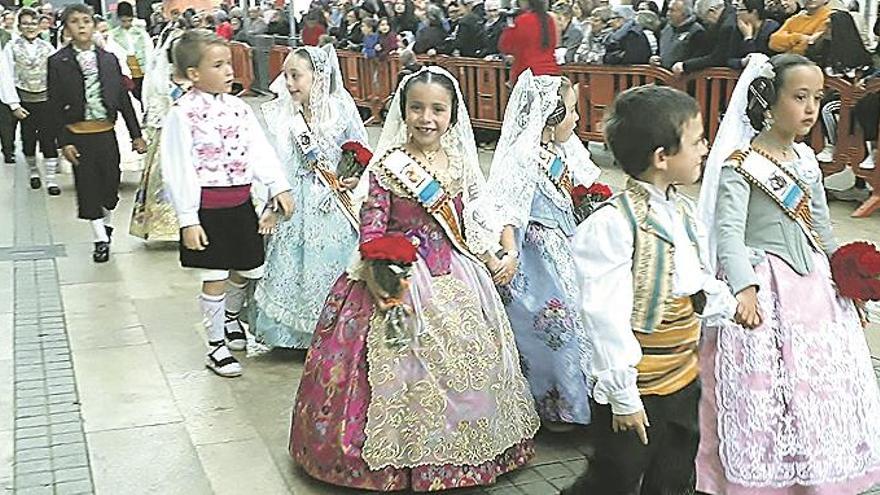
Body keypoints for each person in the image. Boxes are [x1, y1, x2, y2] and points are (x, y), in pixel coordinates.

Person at [289, 66, 540, 492]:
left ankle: (469, 447)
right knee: (397, 362)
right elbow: (373, 221)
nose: (427, 118)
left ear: (452, 115)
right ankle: (399, 456)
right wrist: (377, 261)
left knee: (469, 359)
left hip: (456, 275)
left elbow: (467, 221)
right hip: (400, 275)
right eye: (417, 108)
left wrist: (494, 251)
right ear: (403, 112)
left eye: (437, 109)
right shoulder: (389, 165)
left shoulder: (459, 162)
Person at [695, 53, 880, 495]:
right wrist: (743, 286)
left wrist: (849, 278)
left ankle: (818, 470)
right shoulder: (741, 164)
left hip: (814, 286)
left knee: (817, 385)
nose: (812, 108)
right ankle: (764, 476)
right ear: (768, 100)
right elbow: (729, 234)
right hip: (763, 287)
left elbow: (821, 227)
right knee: (768, 384)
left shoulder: (807, 160)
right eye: (800, 97)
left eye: (818, 97)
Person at [563, 85, 736, 494]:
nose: (704, 149)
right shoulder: (614, 225)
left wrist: (717, 299)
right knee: (615, 476)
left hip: (681, 374)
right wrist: (622, 393)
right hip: (638, 385)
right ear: (662, 158)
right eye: (696, 142)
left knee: (674, 473)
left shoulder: (683, 210)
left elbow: (690, 279)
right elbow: (603, 314)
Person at [468, 70, 600, 428]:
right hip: (537, 257)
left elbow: (587, 185)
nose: (575, 118)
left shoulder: (560, 150)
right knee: (557, 328)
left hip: (566, 248)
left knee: (587, 319)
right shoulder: (522, 156)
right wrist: (509, 254)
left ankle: (585, 399)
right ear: (552, 114)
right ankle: (557, 405)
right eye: (571, 110)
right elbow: (506, 210)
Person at [160, 29, 293, 377]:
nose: (228, 71)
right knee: (215, 274)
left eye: (229, 64)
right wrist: (188, 218)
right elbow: (178, 168)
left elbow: (259, 150)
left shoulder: (238, 108)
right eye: (218, 65)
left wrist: (278, 184)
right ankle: (215, 345)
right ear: (193, 74)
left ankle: (232, 317)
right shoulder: (182, 114)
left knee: (248, 268)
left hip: (240, 205)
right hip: (208, 209)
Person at [250, 46, 368, 350]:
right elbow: (282, 166)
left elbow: (362, 152)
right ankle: (297, 335)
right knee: (296, 266)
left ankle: (338, 331)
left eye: (296, 76)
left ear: (318, 77)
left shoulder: (340, 111)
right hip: (300, 202)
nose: (289, 83)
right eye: (286, 75)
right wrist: (273, 206)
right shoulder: (288, 119)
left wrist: (355, 178)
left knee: (337, 265)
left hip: (336, 201)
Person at [48, 4, 146, 263]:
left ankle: (107, 224)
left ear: (94, 25)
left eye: (86, 21)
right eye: (74, 22)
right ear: (66, 28)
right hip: (78, 135)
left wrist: (136, 135)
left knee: (110, 187)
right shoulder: (58, 62)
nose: (81, 26)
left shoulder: (109, 59)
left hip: (106, 133)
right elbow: (54, 106)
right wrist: (64, 142)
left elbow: (122, 100)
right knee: (88, 187)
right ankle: (100, 239)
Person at [129, 28, 189, 242]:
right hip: (167, 131)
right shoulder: (162, 75)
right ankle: (165, 225)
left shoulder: (194, 73)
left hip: (193, 136)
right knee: (164, 177)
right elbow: (154, 98)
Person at [2, 7, 59, 194]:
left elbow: (56, 74)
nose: (30, 27)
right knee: (28, 139)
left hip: (47, 100)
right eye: (25, 23)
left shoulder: (48, 47)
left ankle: (51, 180)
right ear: (19, 26)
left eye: (33, 23)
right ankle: (33, 172)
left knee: (49, 138)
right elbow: (6, 76)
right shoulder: (11, 47)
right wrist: (13, 104)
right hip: (25, 101)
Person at [672, 0, 742, 74]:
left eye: (705, 19)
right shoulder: (729, 16)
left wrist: (685, 65)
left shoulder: (727, 27)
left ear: (712, 11)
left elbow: (718, 58)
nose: (707, 23)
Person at [499, 0, 560, 83]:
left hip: (527, 72)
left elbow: (505, 46)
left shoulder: (522, 20)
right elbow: (555, 43)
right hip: (551, 71)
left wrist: (509, 27)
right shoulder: (549, 19)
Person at [110, 1, 153, 104]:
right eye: (124, 21)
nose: (127, 24)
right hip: (126, 69)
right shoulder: (113, 35)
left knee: (145, 94)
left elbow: (149, 50)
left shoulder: (141, 33)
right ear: (119, 19)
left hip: (143, 68)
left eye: (129, 20)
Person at [652, 0, 708, 69]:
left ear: (684, 13)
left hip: (684, 77)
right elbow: (659, 51)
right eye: (668, 10)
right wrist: (654, 58)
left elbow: (697, 60)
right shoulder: (665, 28)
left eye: (672, 10)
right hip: (661, 74)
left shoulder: (697, 32)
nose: (668, 14)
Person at [730, 0, 780, 68]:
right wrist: (741, 62)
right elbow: (728, 59)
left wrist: (748, 38)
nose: (737, 14)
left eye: (740, 10)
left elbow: (757, 59)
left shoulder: (771, 28)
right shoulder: (738, 29)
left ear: (754, 12)